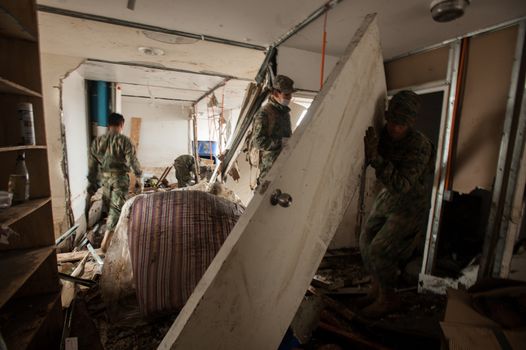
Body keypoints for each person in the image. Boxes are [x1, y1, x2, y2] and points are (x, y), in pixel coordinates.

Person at [360, 90, 434, 318]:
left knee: (380, 250)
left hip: (409, 202)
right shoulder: (385, 133)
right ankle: (377, 288)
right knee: (365, 241)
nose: (394, 128)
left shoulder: (419, 145)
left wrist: (377, 159)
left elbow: (402, 184)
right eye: (392, 121)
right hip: (388, 196)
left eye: (400, 125)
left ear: (410, 123)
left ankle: (389, 298)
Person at [87, 112, 142, 252]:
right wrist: (139, 178)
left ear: (108, 125)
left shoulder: (98, 142)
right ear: (122, 124)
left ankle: (112, 239)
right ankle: (105, 245)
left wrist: (92, 184)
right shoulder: (125, 141)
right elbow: (133, 161)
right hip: (119, 179)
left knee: (110, 210)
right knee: (116, 211)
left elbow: (92, 166)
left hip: (105, 181)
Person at [252, 75, 295, 184]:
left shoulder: (285, 114)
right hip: (270, 169)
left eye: (290, 94)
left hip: (285, 166)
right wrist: (280, 143)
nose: (289, 97)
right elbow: (258, 142)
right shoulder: (264, 113)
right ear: (276, 93)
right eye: (286, 94)